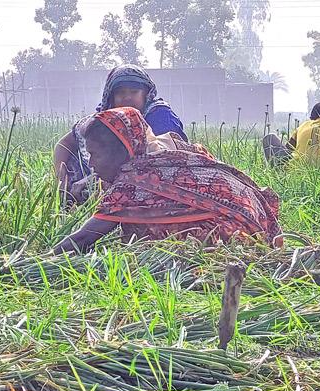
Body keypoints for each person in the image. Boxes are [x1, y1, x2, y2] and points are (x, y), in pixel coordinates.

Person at [53, 107, 283, 254]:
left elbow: (84, 238)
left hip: (231, 238)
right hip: (257, 224)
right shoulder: (164, 156)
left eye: (96, 154)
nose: (91, 164)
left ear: (121, 152)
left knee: (148, 250)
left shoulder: (132, 182)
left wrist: (41, 259)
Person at [53, 65, 188, 204]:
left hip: (151, 183)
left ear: (146, 94)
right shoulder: (104, 119)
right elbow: (65, 143)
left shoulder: (160, 116)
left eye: (134, 92)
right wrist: (61, 178)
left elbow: (162, 160)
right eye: (121, 93)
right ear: (111, 96)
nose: (127, 97)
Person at [262, 102, 320, 169]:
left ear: (312, 117)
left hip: (294, 170)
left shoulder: (303, 126)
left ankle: (277, 172)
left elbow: (287, 151)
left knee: (269, 138)